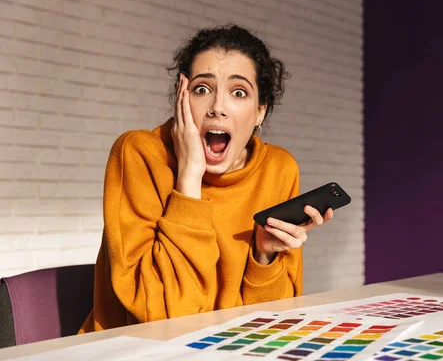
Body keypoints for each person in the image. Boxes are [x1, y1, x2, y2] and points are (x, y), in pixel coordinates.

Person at [79, 25, 334, 332]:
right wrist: (188, 178)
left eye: (239, 93)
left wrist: (264, 255)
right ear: (181, 98)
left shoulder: (278, 168)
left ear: (260, 112)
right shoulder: (140, 153)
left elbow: (273, 324)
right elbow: (162, 318)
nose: (217, 107)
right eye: (202, 89)